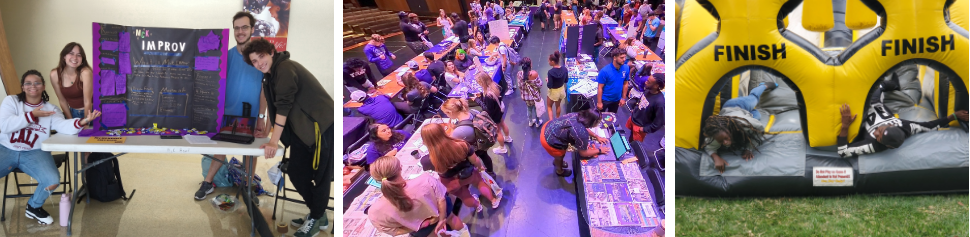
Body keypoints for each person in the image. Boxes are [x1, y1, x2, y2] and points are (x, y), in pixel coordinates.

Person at [243, 38, 334, 237]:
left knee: (320, 177)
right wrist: (266, 132)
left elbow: (283, 106)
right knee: (296, 173)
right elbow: (274, 109)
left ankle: (316, 218)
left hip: (321, 128)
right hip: (303, 132)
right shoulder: (269, 76)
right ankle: (318, 215)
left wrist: (274, 141)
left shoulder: (284, 68)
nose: (259, 63)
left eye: (261, 57)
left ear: (271, 53)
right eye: (254, 61)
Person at [0, 70, 101, 225]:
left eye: (37, 83)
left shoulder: (51, 109)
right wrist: (31, 115)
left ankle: (33, 206)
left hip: (35, 152)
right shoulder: (11, 101)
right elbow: (5, 126)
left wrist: (82, 121)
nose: (33, 86)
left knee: (52, 180)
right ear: (22, 86)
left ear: (44, 86)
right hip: (6, 148)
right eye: (28, 83)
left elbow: (63, 126)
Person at [197, 12, 268, 203]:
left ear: (252, 29)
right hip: (227, 115)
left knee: (250, 154)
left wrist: (261, 117)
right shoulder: (225, 56)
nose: (240, 31)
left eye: (244, 27)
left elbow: (264, 90)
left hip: (251, 116)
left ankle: (248, 186)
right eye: (237, 28)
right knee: (221, 148)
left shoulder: (259, 60)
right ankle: (208, 182)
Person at [837, 74, 969, 158]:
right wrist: (954, 116)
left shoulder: (873, 145)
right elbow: (930, 126)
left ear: (886, 146)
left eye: (878, 137)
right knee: (881, 86)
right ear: (891, 124)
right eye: (880, 131)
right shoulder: (906, 127)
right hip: (876, 102)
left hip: (861, 112)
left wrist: (845, 126)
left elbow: (843, 152)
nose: (876, 133)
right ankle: (895, 85)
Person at [367, 156, 470, 237]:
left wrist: (416, 227)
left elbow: (391, 230)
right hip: (441, 212)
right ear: (400, 168)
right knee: (452, 218)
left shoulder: (374, 212)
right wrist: (442, 218)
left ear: (377, 180)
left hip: (423, 230)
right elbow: (441, 199)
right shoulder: (426, 180)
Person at [423, 123, 502, 212]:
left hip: (450, 182)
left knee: (464, 196)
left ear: (425, 141)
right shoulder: (461, 144)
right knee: (480, 183)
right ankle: (493, 201)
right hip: (468, 173)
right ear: (443, 132)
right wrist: (480, 168)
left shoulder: (426, 160)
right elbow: (475, 159)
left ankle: (477, 206)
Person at [702, 82, 777, 173]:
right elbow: (709, 148)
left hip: (739, 104)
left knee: (754, 98)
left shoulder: (743, 124)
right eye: (721, 141)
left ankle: (764, 85)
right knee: (757, 116)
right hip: (737, 112)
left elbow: (759, 128)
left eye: (726, 138)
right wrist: (716, 157)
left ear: (729, 129)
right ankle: (751, 110)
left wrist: (749, 148)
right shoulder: (716, 135)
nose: (725, 142)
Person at [540, 109, 610, 177]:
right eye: (598, 122)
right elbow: (583, 153)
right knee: (559, 157)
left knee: (559, 156)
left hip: (548, 127)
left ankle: (557, 162)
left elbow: (582, 128)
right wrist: (600, 150)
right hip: (548, 140)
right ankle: (559, 170)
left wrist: (596, 136)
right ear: (593, 122)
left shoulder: (577, 115)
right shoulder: (582, 134)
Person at [439, 98, 496, 175]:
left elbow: (452, 142)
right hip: (481, 141)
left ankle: (480, 172)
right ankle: (490, 171)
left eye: (446, 113)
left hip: (474, 148)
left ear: (450, 112)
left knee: (474, 162)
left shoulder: (459, 131)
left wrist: (453, 130)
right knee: (485, 156)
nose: (447, 116)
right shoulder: (473, 112)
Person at [50, 43, 92, 120]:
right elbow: (62, 100)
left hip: (90, 113)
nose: (75, 58)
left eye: (79, 55)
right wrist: (70, 121)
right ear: (64, 56)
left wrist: (86, 121)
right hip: (72, 113)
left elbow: (87, 101)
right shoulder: (54, 74)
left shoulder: (85, 73)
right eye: (71, 53)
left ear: (82, 59)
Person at [475, 73, 513, 154]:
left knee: (498, 131)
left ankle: (502, 148)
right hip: (499, 110)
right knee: (503, 123)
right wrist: (481, 95)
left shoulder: (488, 95)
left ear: (482, 82)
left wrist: (477, 100)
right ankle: (507, 138)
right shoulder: (495, 86)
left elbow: (487, 109)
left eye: (478, 82)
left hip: (494, 115)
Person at [627, 70, 664, 143]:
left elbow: (659, 122)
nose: (645, 82)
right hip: (634, 119)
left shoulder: (660, 103)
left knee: (635, 146)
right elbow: (641, 101)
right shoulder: (648, 90)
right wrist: (635, 109)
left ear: (656, 86)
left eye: (649, 82)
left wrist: (644, 129)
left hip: (640, 127)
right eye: (647, 80)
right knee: (630, 139)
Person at [596, 48, 630, 113]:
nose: (624, 59)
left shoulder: (626, 68)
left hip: (616, 99)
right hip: (605, 99)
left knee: (612, 117)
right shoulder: (604, 71)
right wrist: (599, 102)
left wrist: (623, 98)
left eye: (625, 57)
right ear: (614, 58)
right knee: (599, 117)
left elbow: (625, 83)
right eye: (621, 58)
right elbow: (600, 87)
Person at [517, 57, 543, 127]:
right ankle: (537, 123)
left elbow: (519, 86)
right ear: (530, 65)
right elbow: (540, 85)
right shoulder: (534, 74)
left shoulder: (519, 74)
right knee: (536, 109)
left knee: (529, 109)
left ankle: (530, 122)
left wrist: (522, 94)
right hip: (535, 97)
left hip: (526, 97)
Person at [546, 51, 567, 121]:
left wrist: (547, 80)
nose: (548, 62)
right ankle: (557, 120)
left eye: (549, 61)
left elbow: (549, 85)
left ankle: (551, 123)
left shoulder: (550, 72)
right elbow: (566, 81)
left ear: (552, 61)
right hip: (561, 90)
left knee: (549, 106)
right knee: (558, 106)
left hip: (553, 92)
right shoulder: (564, 69)